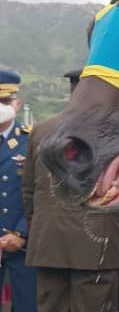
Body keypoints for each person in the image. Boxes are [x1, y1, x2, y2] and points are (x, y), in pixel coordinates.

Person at [24, 70, 119, 312]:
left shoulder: (40, 130)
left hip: (48, 242)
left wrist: (39, 227)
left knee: (50, 306)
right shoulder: (116, 133)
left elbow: (28, 191)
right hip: (97, 243)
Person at [0, 68, 36, 312]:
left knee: (27, 307)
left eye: (3, 101)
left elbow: (43, 193)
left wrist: (21, 233)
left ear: (17, 102)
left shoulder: (31, 141)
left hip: (21, 246)